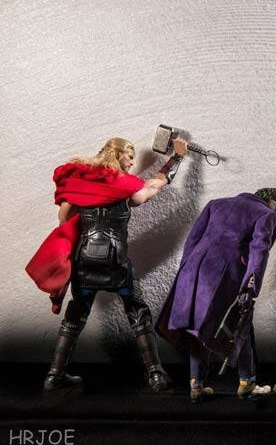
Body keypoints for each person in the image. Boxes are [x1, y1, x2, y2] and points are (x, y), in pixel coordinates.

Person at [27, 136, 188, 392]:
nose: (132, 164)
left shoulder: (81, 183)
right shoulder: (126, 186)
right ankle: (156, 374)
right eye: (130, 157)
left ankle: (54, 375)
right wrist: (177, 157)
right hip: (116, 262)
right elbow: (154, 185)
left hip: (85, 261)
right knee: (137, 311)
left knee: (76, 313)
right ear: (117, 153)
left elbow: (64, 218)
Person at [156, 188, 276, 402]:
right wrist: (251, 285)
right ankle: (247, 383)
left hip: (193, 271)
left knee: (198, 326)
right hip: (227, 276)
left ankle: (196, 385)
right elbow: (259, 251)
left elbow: (192, 239)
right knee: (241, 325)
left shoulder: (216, 203)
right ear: (269, 200)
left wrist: (187, 269)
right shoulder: (265, 214)